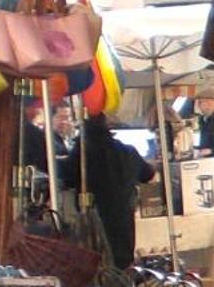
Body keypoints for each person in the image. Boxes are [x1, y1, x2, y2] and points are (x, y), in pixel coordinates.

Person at [61, 115, 155, 269]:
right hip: (124, 217)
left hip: (94, 218)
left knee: (97, 266)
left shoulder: (83, 155)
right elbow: (148, 175)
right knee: (122, 264)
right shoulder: (128, 151)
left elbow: (67, 176)